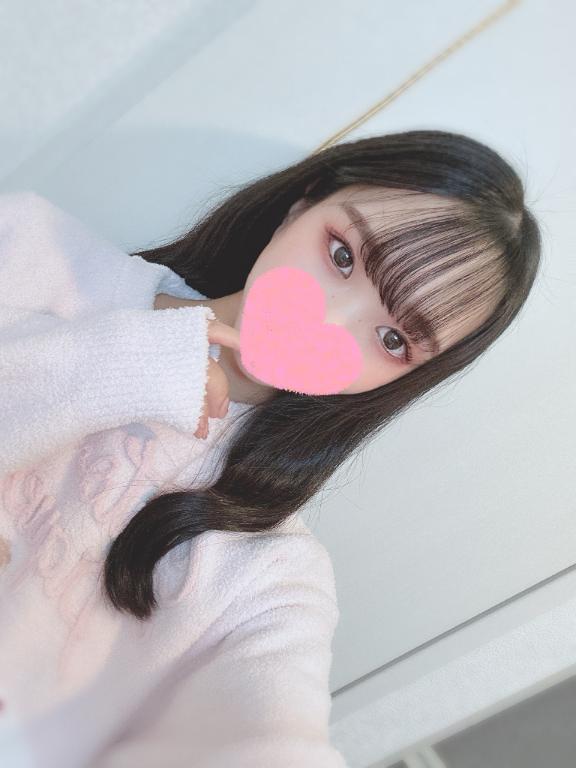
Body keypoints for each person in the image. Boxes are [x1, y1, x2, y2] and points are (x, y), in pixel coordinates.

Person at [0, 129, 541, 767]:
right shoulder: (29, 251)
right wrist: (144, 360)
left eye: (394, 340)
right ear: (302, 204)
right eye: (341, 255)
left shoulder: (271, 575)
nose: (327, 322)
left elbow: (273, 734)